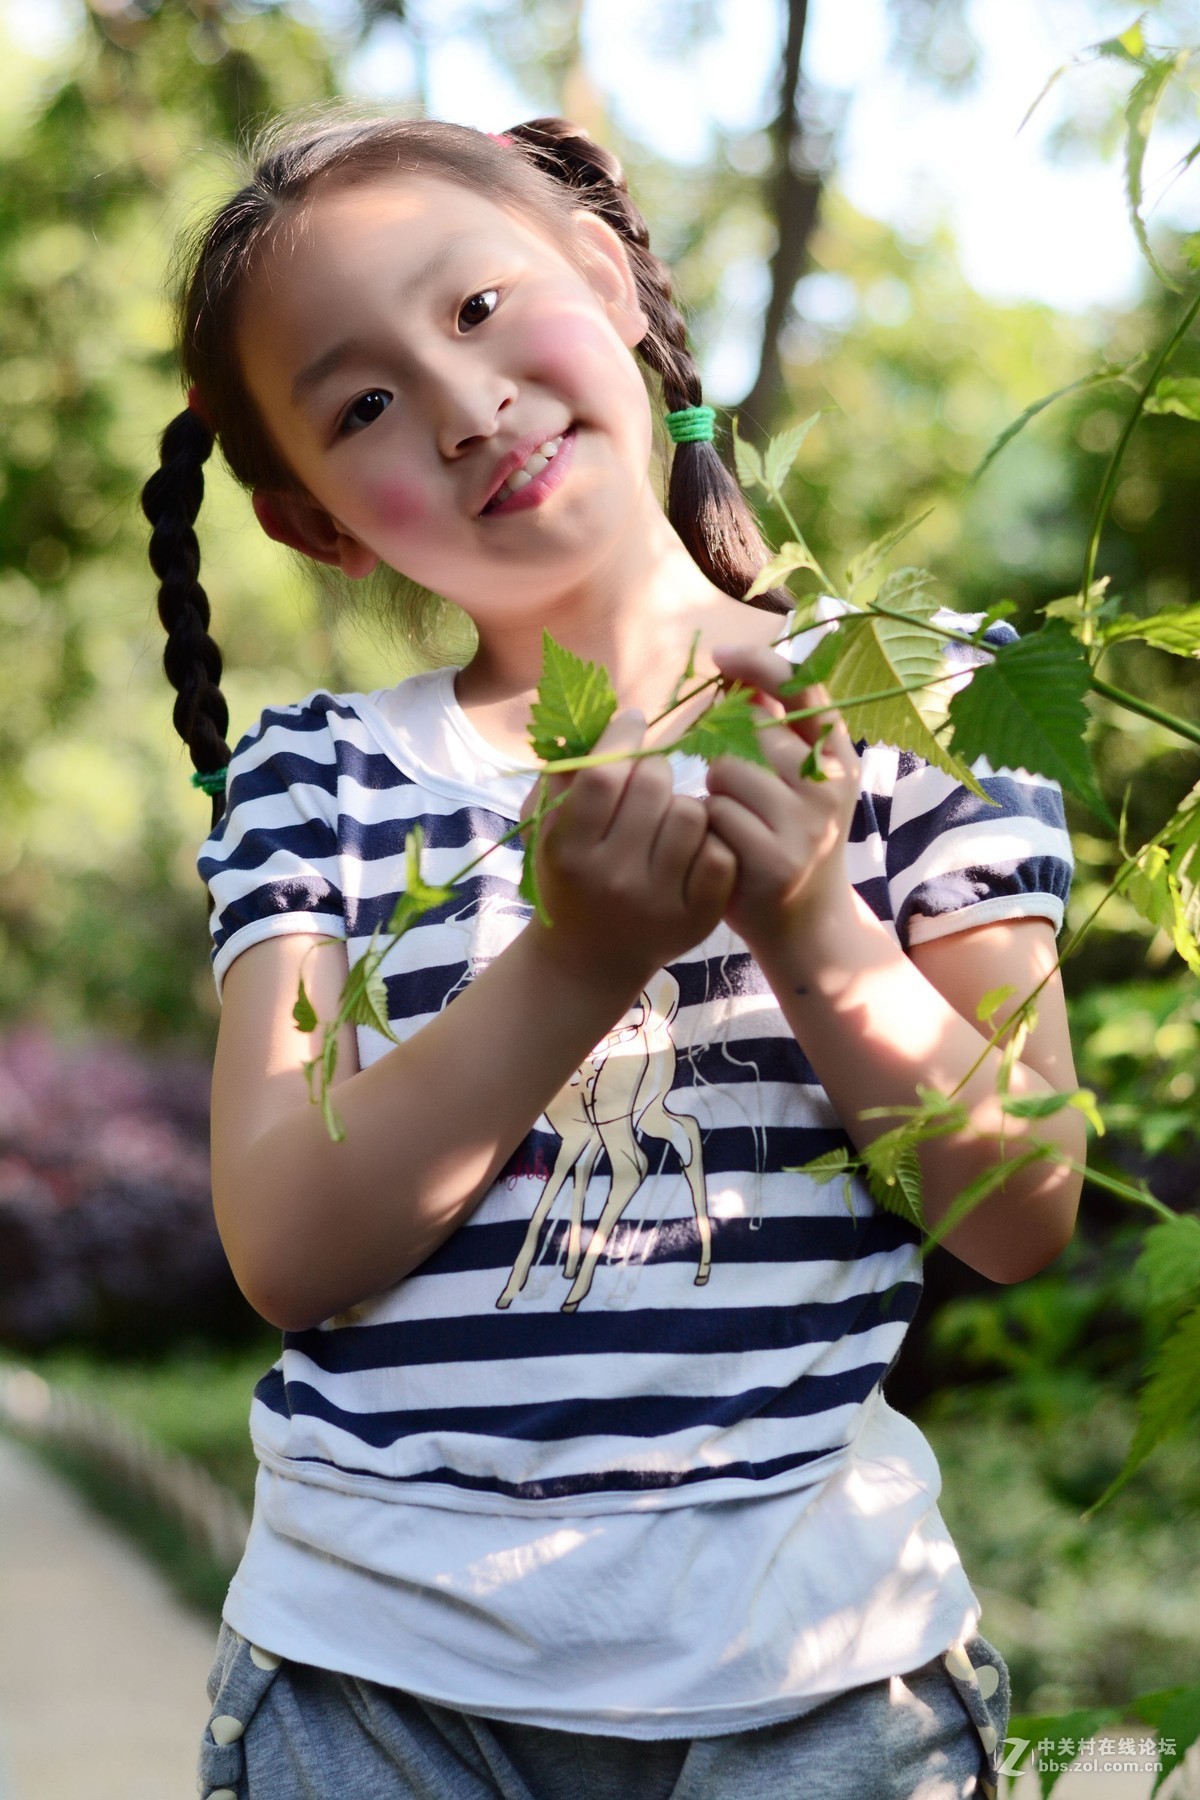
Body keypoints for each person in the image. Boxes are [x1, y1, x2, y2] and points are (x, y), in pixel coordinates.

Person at [141, 112, 1082, 1800]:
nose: (456, 400)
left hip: (825, 1688)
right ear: (311, 524)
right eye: (360, 406)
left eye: (481, 306)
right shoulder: (323, 781)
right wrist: (573, 968)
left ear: (609, 276)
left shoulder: (919, 699)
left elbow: (1021, 1205)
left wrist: (806, 920)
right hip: (378, 1690)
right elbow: (285, 1243)